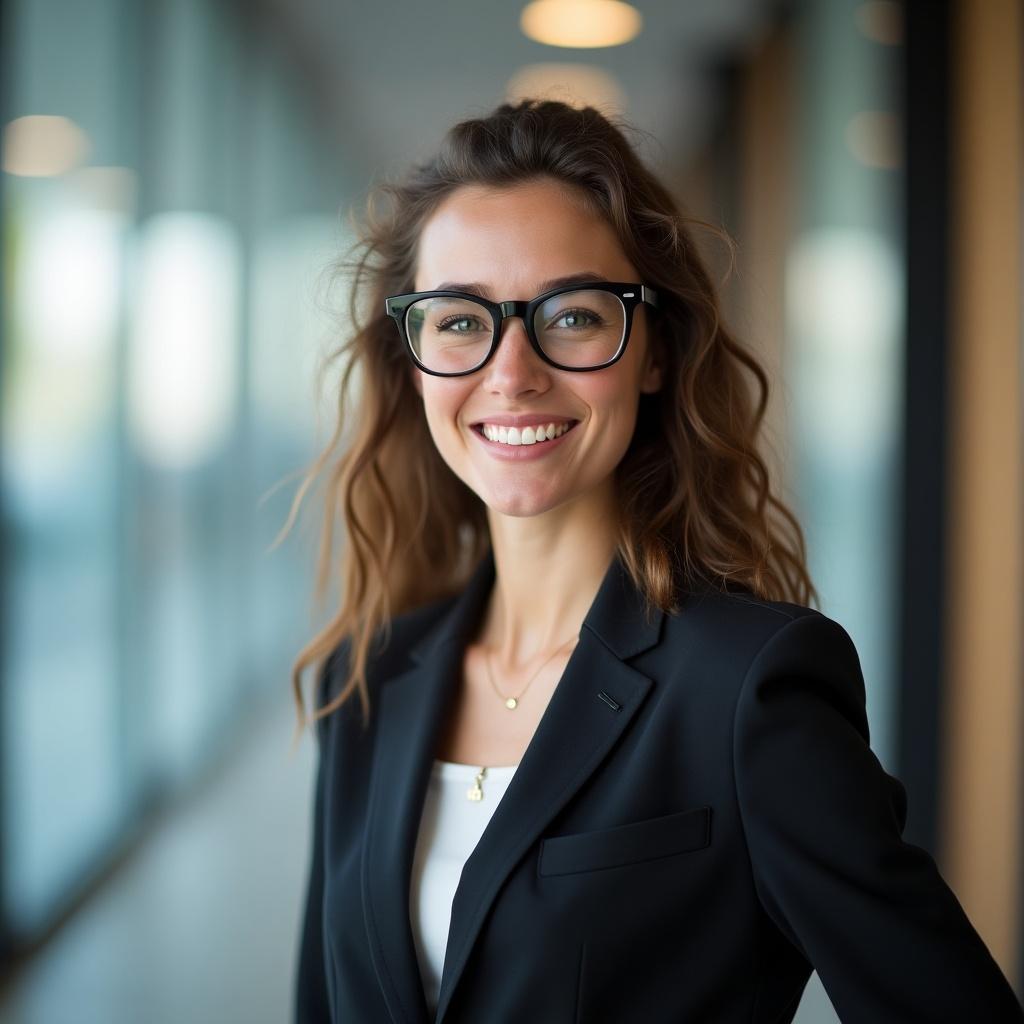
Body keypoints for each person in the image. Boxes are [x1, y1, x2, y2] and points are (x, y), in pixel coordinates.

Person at [289, 99, 1024, 1023]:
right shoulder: (364, 681)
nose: (511, 372)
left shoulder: (744, 690)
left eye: (573, 314)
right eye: (460, 321)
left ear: (654, 353)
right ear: (412, 358)